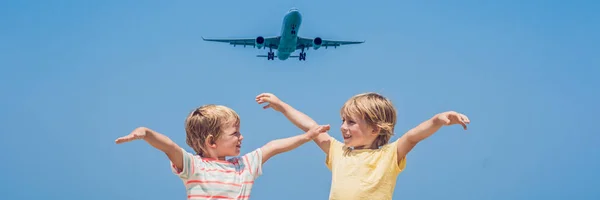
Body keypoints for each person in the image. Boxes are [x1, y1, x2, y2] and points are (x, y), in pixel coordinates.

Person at [255, 93, 470, 200]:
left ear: (376, 129)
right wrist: (282, 106)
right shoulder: (339, 153)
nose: (343, 127)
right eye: (342, 121)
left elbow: (412, 137)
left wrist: (438, 120)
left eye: (351, 122)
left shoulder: (389, 155)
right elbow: (311, 126)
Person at [115, 104, 330, 199]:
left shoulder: (244, 166)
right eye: (235, 133)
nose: (241, 137)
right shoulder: (194, 167)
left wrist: (306, 136)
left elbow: (272, 147)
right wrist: (145, 133)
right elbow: (169, 146)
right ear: (211, 141)